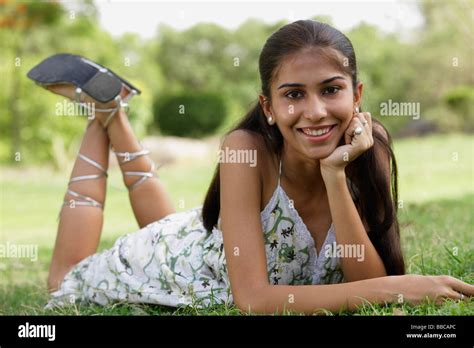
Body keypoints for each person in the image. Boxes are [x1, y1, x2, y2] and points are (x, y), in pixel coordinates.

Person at [42, 20, 473, 314]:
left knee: (175, 225)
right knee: (62, 283)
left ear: (356, 94)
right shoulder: (244, 148)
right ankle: (110, 114)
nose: (316, 111)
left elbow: (366, 275)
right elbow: (252, 300)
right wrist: (400, 288)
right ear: (268, 106)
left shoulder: (365, 145)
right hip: (166, 261)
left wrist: (335, 175)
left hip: (204, 240)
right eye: (294, 95)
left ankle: (109, 106)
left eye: (331, 89)